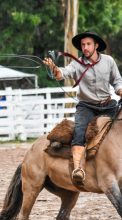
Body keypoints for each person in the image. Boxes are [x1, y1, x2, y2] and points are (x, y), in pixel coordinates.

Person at [43, 31, 122, 183]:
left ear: (96, 46)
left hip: (108, 105)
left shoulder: (109, 61)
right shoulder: (77, 64)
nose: (85, 48)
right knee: (79, 133)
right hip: (86, 107)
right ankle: (78, 168)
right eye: (83, 45)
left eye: (88, 44)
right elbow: (63, 73)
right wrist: (55, 69)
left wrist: (120, 90)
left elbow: (117, 80)